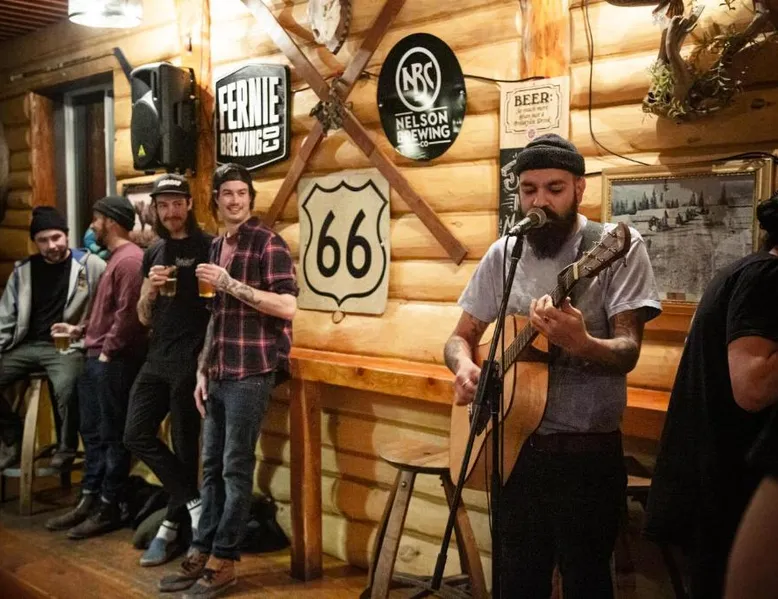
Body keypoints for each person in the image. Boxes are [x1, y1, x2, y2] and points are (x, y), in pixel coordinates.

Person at [444, 134, 661, 598]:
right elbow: (460, 338)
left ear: (580, 188)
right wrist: (463, 368)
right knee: (516, 582)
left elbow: (628, 351)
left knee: (587, 582)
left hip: (587, 454)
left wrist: (581, 342)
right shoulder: (505, 252)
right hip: (514, 451)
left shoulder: (615, 247)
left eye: (554, 188)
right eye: (529, 190)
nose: (539, 201)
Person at [159, 163, 297, 598]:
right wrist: (203, 369)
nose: (235, 200)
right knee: (211, 468)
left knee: (236, 468)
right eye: (227, 194)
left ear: (250, 198)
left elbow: (288, 306)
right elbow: (216, 317)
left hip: (252, 372)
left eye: (241, 193)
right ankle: (202, 549)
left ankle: (225, 560)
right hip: (219, 370)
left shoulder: (268, 243)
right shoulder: (217, 244)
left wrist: (230, 283)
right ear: (215, 200)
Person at [645, 192, 778, 598]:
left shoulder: (747, 270)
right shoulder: (768, 276)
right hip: (729, 492)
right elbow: (753, 387)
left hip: (714, 488)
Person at [123, 174, 213, 566]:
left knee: (185, 447)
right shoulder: (154, 251)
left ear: (189, 205)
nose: (171, 211)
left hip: (191, 361)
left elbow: (220, 310)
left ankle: (171, 529)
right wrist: (151, 289)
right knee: (135, 434)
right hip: (157, 357)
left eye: (178, 203)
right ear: (156, 210)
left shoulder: (210, 246)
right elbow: (144, 316)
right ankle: (194, 506)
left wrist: (206, 362)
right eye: (163, 205)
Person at [45, 195, 146, 539]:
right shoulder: (114, 258)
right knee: (94, 434)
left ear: (112, 222)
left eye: (96, 219)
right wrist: (79, 330)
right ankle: (89, 498)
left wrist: (107, 353)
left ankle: (108, 506)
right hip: (95, 356)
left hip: (112, 362)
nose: (91, 226)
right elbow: (105, 313)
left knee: (112, 436)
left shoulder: (130, 260)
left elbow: (128, 316)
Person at [0, 206, 106, 470]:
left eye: (56, 237)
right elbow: (6, 316)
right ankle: (12, 434)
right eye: (43, 240)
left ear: (66, 235)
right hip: (25, 345)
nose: (51, 245)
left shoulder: (90, 265)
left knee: (67, 387)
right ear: (34, 242)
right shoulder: (23, 271)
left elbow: (107, 308)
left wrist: (81, 330)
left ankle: (66, 446)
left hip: (66, 346)